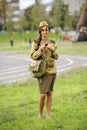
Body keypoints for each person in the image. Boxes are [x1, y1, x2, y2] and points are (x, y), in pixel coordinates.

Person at [30, 21, 59, 119]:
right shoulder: (36, 42)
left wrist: (53, 50)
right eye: (42, 30)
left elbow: (57, 57)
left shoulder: (53, 42)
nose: (44, 32)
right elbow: (33, 56)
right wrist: (40, 49)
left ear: (48, 31)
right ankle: (40, 114)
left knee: (49, 93)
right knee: (42, 94)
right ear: (40, 31)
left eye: (46, 30)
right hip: (41, 71)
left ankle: (48, 115)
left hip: (52, 70)